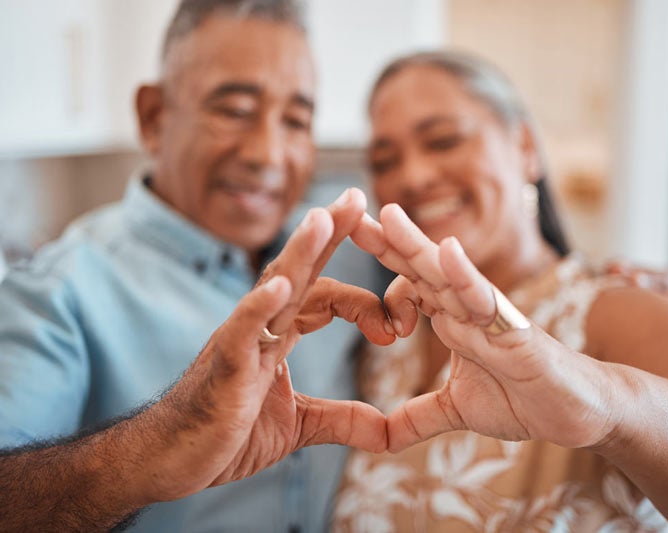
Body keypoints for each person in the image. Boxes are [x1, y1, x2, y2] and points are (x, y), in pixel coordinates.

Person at [332, 51, 668, 532]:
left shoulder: (611, 309)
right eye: (385, 160)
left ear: (525, 147)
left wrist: (600, 403)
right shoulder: (387, 348)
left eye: (444, 140)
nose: (412, 176)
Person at [0, 1, 386, 530]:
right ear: (154, 117)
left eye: (296, 120)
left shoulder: (347, 255)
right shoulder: (58, 292)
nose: (269, 155)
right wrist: (161, 442)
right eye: (234, 110)